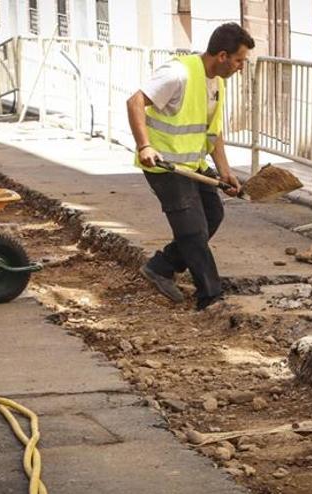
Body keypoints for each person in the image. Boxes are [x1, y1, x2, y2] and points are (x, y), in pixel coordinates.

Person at [127, 23, 254, 310]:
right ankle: (210, 296)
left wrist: (224, 171)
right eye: (239, 60)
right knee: (193, 231)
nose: (241, 67)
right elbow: (135, 101)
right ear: (222, 56)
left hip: (193, 165)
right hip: (165, 165)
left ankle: (161, 267)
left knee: (213, 215)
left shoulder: (216, 83)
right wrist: (144, 145)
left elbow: (213, 133)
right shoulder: (178, 73)